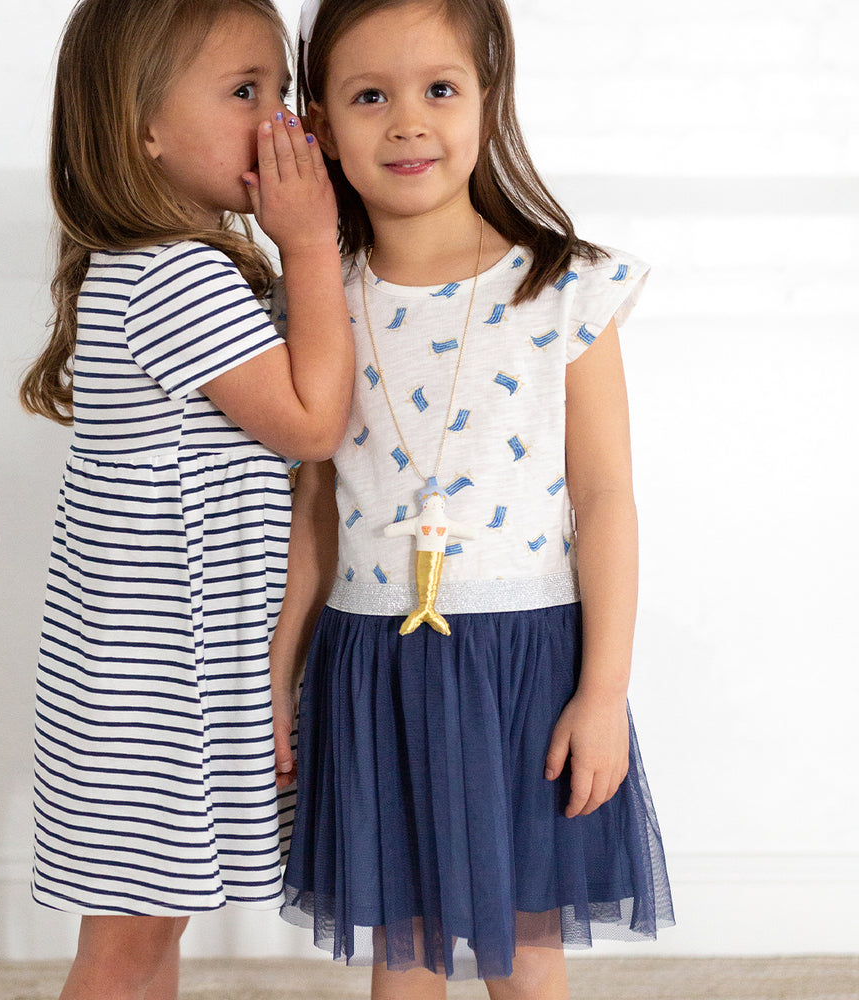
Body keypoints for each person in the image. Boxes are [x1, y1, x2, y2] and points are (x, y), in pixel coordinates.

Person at [270, 0, 675, 995]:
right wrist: (280, 676)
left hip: (525, 660)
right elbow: (310, 515)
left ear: (488, 104)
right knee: (400, 944)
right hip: (369, 662)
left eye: (439, 90)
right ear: (318, 123)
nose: (408, 121)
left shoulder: (562, 287)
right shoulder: (316, 300)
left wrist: (604, 689)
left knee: (525, 942)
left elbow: (607, 496)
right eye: (370, 96)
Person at [18, 0, 353, 996]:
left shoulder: (177, 271)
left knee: (147, 934)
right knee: (128, 942)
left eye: (281, 91)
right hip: (152, 690)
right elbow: (313, 423)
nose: (277, 122)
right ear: (140, 129)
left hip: (148, 674)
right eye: (244, 92)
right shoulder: (175, 280)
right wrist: (312, 241)